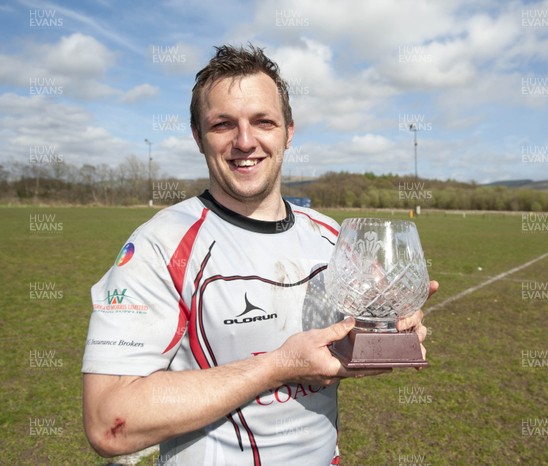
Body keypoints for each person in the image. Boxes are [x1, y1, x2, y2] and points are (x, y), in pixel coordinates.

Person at [82, 43, 437, 465]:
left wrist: (393, 325)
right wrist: (277, 366)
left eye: (263, 121)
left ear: (288, 131)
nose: (245, 141)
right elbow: (108, 421)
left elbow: (357, 334)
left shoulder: (334, 239)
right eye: (223, 124)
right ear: (198, 137)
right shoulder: (161, 245)